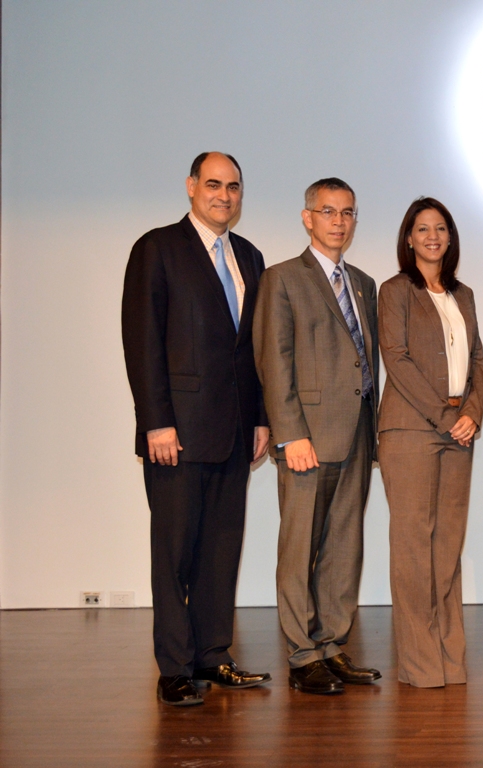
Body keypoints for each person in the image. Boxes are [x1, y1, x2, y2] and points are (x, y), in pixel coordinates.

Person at [122, 151, 271, 706]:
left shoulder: (250, 257)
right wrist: (155, 422)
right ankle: (175, 669)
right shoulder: (157, 249)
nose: (224, 195)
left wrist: (261, 418)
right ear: (190, 187)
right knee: (175, 553)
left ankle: (214, 656)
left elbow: (253, 351)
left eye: (233, 186)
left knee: (220, 551)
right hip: (177, 435)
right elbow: (142, 344)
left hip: (235, 433)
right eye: (213, 184)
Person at [253, 178, 381, 695]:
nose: (338, 221)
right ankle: (303, 654)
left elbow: (364, 361)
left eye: (347, 212)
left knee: (343, 548)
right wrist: (289, 435)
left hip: (356, 437)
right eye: (328, 211)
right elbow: (274, 359)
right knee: (299, 546)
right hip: (306, 439)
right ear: (307, 217)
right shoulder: (281, 279)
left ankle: (331, 644)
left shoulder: (365, 284)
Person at [376, 197, 483, 688]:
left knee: (447, 546)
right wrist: (445, 415)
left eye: (440, 228)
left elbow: (478, 361)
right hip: (411, 429)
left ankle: (450, 657)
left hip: (457, 428)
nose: (433, 236)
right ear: (408, 238)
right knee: (414, 547)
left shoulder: (463, 294)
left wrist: (471, 412)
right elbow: (396, 361)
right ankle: (420, 664)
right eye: (422, 229)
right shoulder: (395, 290)